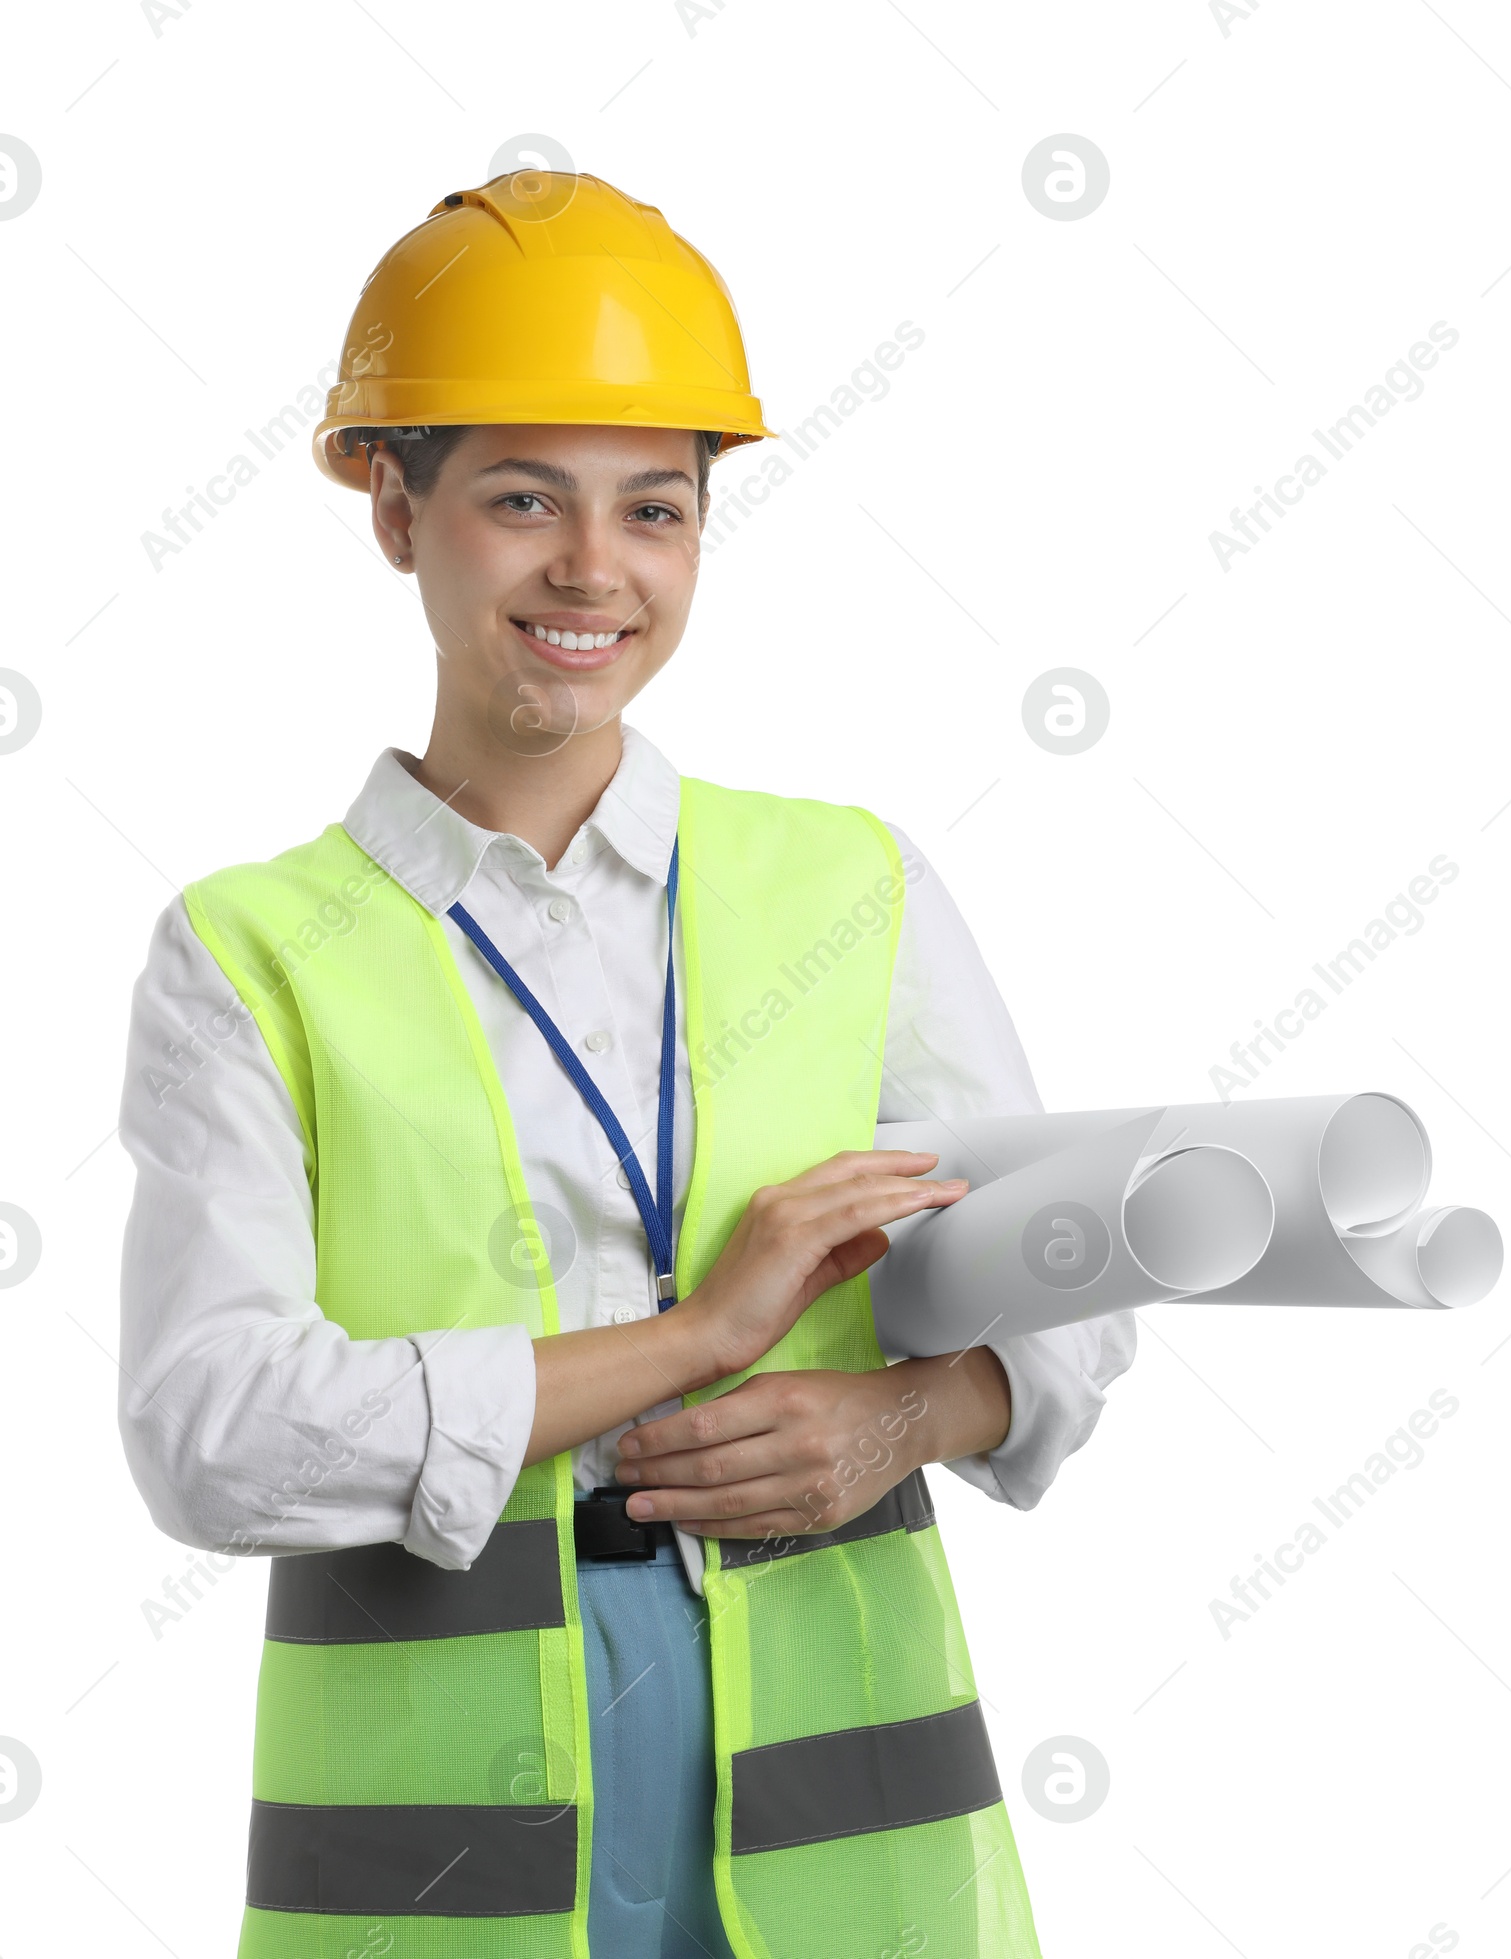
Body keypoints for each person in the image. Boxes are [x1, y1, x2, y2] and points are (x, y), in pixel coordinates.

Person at [117, 170, 1136, 1959]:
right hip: (438, 1847)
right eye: (523, 498)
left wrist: (903, 1416)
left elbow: (1070, 1286)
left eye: (654, 508)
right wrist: (692, 1342)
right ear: (394, 508)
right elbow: (210, 1439)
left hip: (852, 1844)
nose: (595, 569)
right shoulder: (252, 953)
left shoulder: (851, 886)